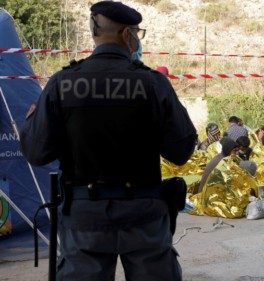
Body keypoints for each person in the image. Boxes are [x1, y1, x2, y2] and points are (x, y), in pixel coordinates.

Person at [20, 2, 197, 279]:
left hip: (84, 219)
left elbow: (36, 152)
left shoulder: (62, 83)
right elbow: (182, 150)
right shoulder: (153, 83)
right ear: (127, 35)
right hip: (144, 218)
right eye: (138, 33)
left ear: (94, 31)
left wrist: (31, 121)